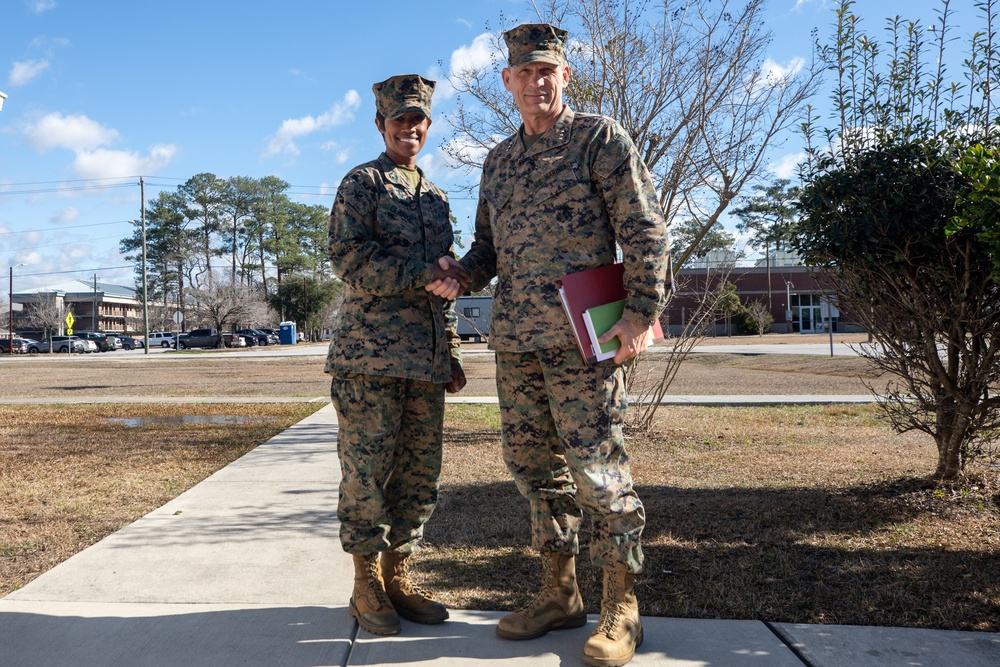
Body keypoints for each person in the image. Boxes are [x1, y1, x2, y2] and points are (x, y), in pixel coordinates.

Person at [427, 23, 670, 667]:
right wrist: (460, 274)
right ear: (506, 82)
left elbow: (645, 230)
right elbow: (488, 249)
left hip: (584, 344)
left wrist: (641, 311)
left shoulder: (599, 140)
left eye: (548, 72)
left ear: (565, 77)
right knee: (536, 474)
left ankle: (622, 607)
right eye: (524, 73)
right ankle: (559, 595)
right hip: (517, 345)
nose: (536, 82)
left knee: (599, 471)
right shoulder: (499, 161)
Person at [325, 73, 469, 636]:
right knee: (366, 474)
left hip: (425, 364)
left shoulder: (434, 197)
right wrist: (420, 273)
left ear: (428, 126)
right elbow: (348, 258)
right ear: (380, 123)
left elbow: (447, 284)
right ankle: (365, 585)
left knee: (417, 477)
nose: (410, 127)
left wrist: (451, 350)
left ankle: (399, 576)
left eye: (419, 119)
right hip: (369, 361)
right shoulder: (362, 184)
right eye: (400, 118)